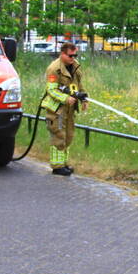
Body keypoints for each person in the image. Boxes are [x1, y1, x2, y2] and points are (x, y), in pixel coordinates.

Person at [41, 42, 88, 175]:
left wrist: (84, 98)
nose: (73, 58)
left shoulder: (75, 66)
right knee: (59, 136)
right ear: (62, 54)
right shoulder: (54, 69)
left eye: (75, 55)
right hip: (57, 110)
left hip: (70, 109)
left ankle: (64, 163)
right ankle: (57, 166)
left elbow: (79, 85)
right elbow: (51, 90)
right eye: (70, 56)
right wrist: (65, 98)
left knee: (68, 136)